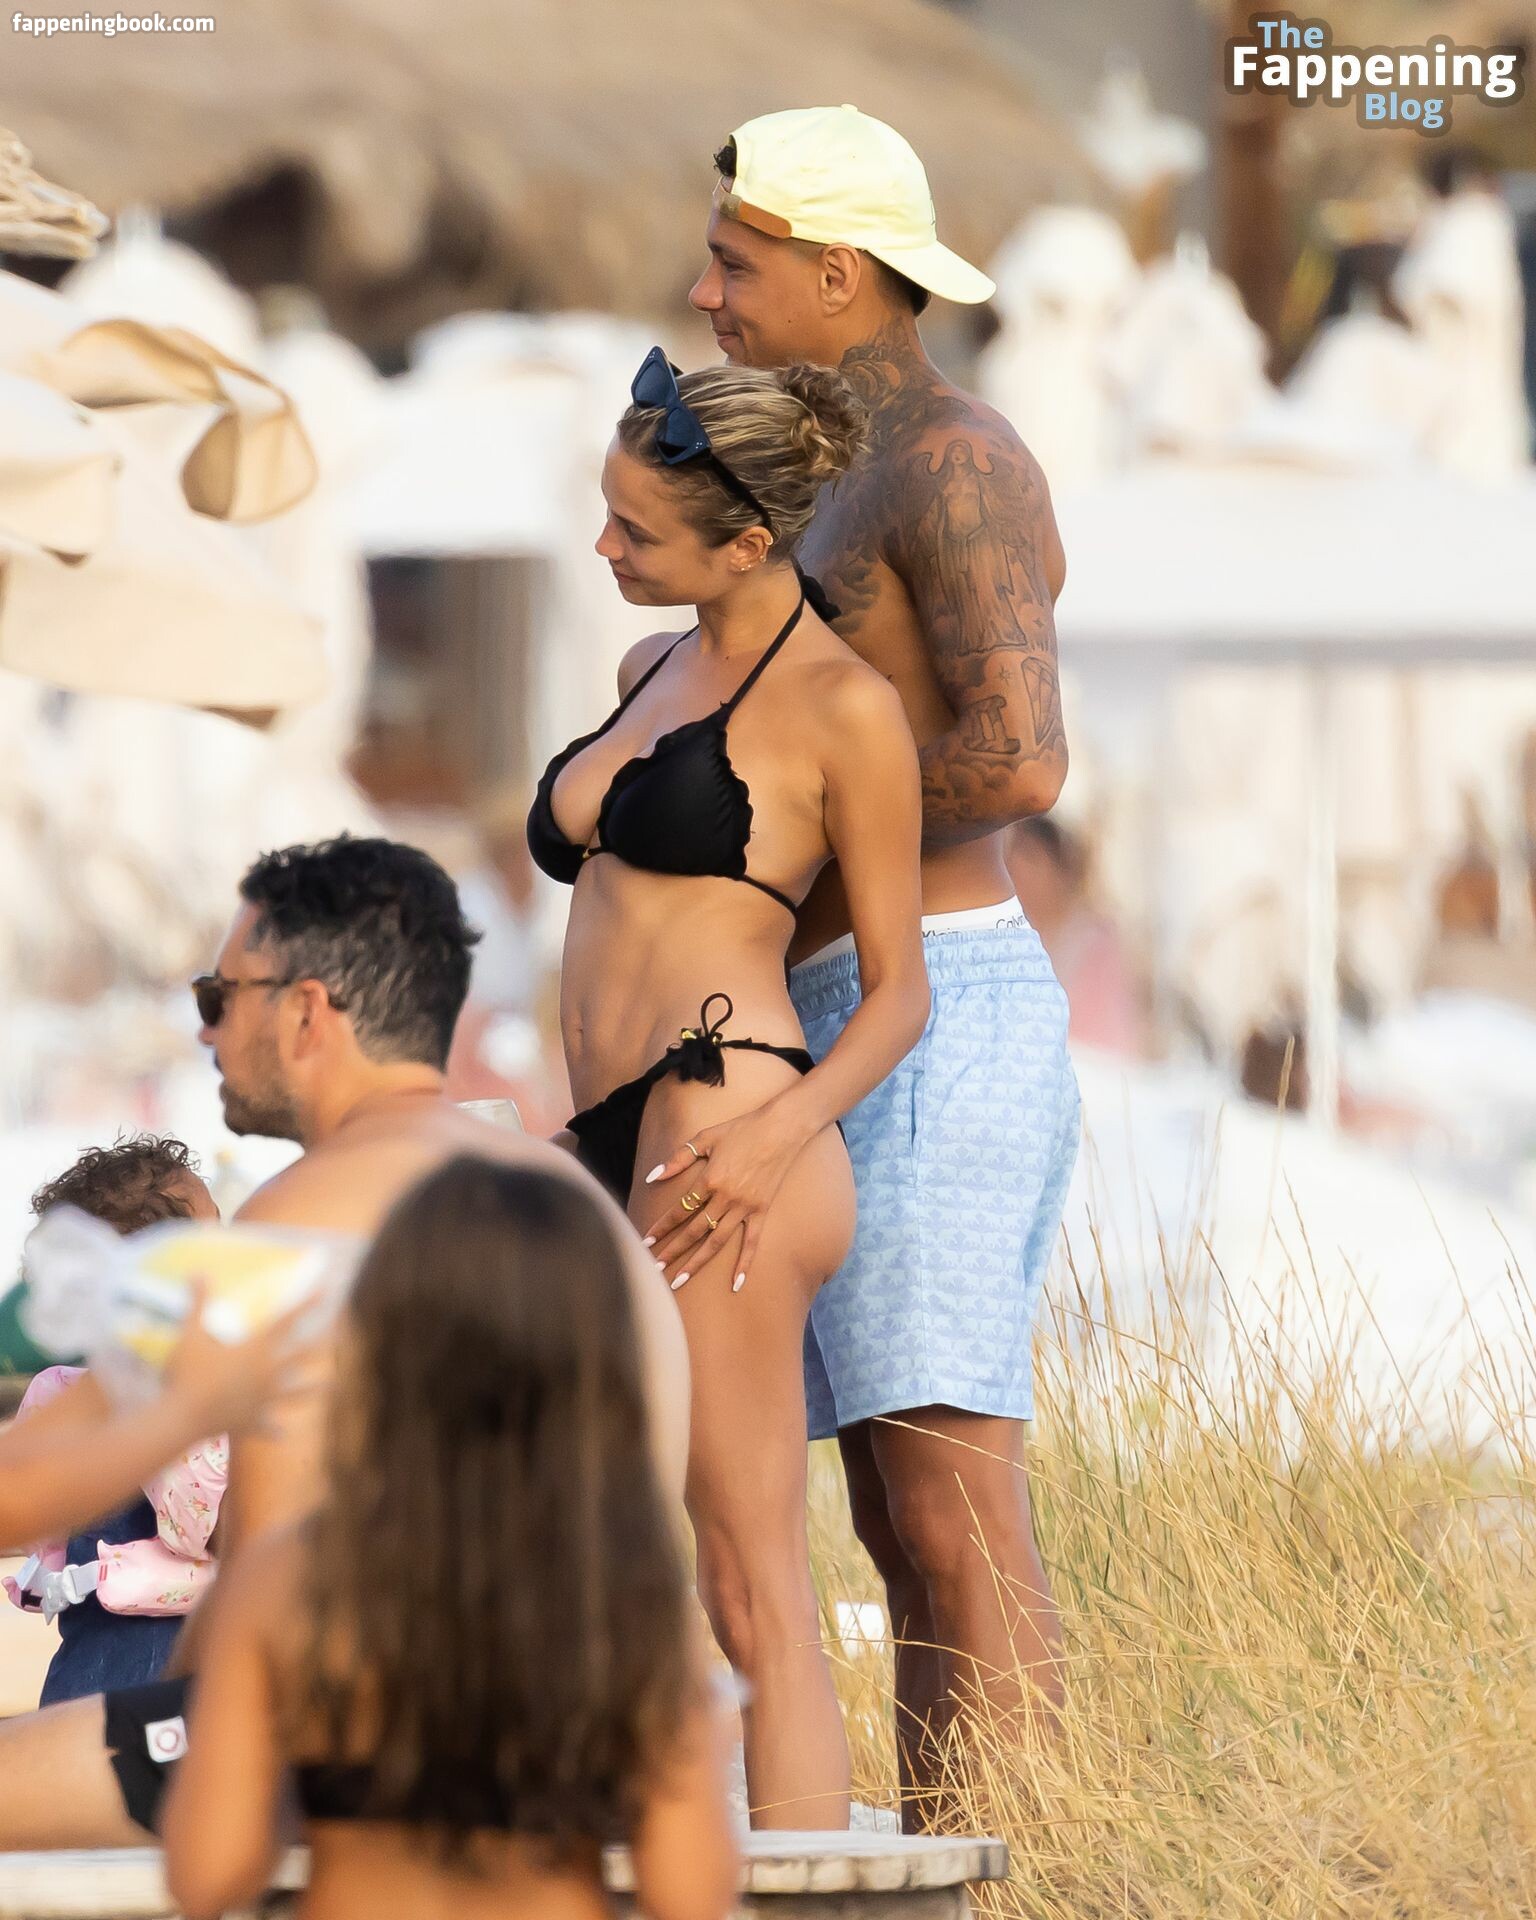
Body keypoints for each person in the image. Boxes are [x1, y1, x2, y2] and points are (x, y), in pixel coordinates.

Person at [0, 834, 689, 1853]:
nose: (204, 1031)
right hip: (591, 1735)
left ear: (306, 1012)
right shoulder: (583, 1214)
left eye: (219, 996)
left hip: (365, 1754)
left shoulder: (290, 1223)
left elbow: (254, 1582)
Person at [686, 106, 1080, 1818]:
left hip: (946, 1005)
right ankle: (942, 1866)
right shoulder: (823, 471)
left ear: (838, 270)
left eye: (736, 261)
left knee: (947, 1503)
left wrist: (796, 868)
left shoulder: (955, 460)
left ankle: (1031, 1873)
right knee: (888, 1512)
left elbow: (1022, 757)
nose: (706, 291)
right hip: (845, 1016)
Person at [527, 349, 928, 1826]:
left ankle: (807, 1893)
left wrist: (776, 1140)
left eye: (634, 529)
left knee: (751, 1576)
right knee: (615, 1547)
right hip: (612, 1132)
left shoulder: (843, 709)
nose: (604, 547)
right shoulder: (648, 672)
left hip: (731, 1127)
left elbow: (899, 992)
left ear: (749, 542)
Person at [163, 1157, 738, 1920]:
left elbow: (207, 1873)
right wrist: (707, 1737)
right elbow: (688, 1892)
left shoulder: (286, 1578)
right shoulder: (625, 1596)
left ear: (381, 1344)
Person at [9, 1136, 228, 1704]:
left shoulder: (65, 1395)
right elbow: (197, 1530)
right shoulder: (176, 1401)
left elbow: (37, 1525)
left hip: (82, 1672)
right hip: (162, 1680)